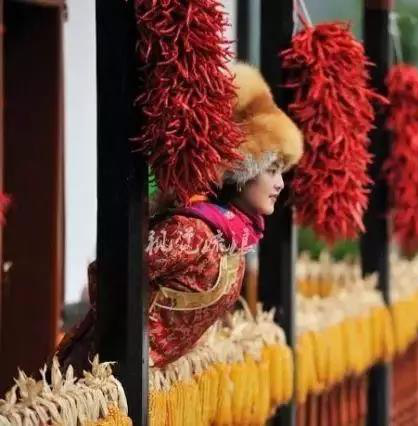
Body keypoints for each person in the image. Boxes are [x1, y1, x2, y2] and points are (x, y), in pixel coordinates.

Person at [56, 63, 303, 369]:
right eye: (272, 170)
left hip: (152, 385)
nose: (280, 184)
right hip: (98, 377)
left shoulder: (231, 241)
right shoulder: (194, 234)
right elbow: (112, 276)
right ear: (242, 172)